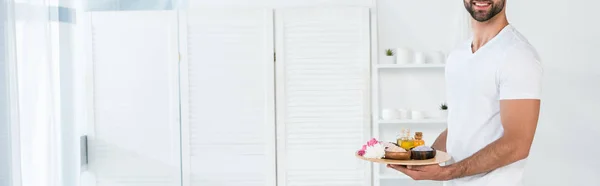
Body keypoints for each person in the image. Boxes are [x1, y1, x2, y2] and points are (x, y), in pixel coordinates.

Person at [387, 0, 543, 186]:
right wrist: (419, 159)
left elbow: (517, 144)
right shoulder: (457, 57)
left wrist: (446, 173)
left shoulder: (517, 56)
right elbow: (459, 125)